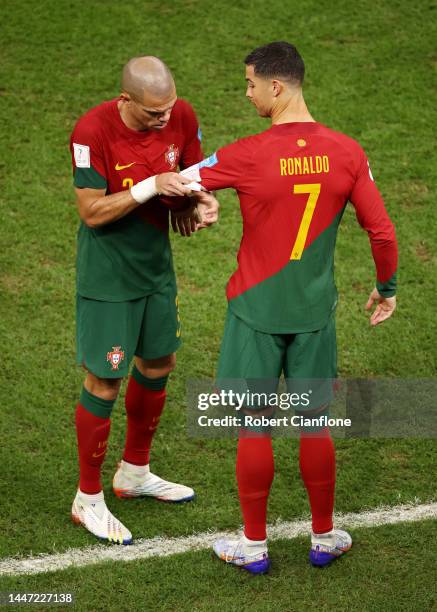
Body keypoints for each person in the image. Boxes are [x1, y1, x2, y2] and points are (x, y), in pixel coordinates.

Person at [180, 42, 397, 573]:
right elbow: (382, 230)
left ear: (276, 87)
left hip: (254, 314)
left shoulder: (247, 153)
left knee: (253, 425)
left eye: (251, 83)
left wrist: (198, 199)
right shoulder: (348, 152)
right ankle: (324, 537)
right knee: (315, 424)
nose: (247, 92)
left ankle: (253, 546)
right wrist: (386, 288)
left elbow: (179, 181)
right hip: (314, 316)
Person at [69, 56, 218, 545]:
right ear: (126, 100)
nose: (164, 120)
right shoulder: (91, 131)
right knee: (106, 380)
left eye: (169, 110)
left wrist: (200, 200)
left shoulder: (182, 115)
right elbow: (92, 212)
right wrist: (151, 187)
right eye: (154, 114)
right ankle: (87, 498)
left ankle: (134, 472)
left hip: (156, 269)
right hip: (110, 278)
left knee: (158, 363)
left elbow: (194, 173)